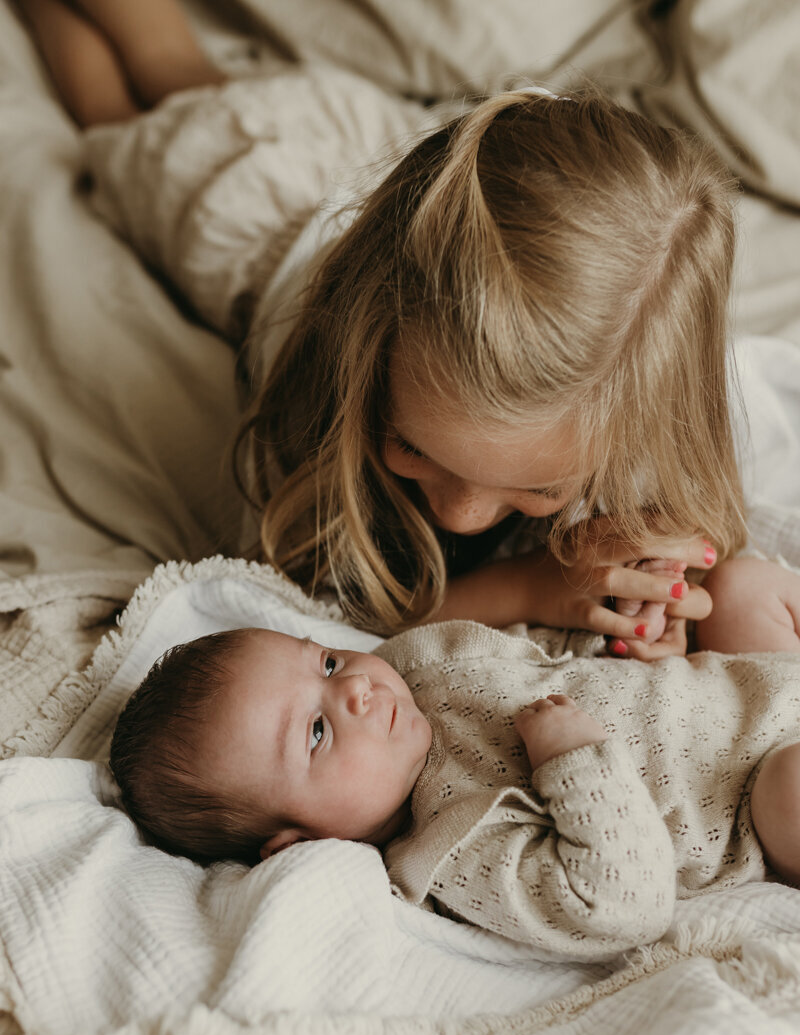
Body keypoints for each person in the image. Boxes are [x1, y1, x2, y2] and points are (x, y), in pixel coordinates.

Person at [19, 0, 746, 655]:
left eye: (538, 491)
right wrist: (528, 587)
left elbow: (678, 564)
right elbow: (322, 626)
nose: (462, 517)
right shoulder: (325, 398)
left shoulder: (630, 380)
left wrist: (658, 600)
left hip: (390, 165)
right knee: (128, 99)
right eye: (410, 443)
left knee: (190, 73)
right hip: (245, 192)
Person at [110, 555, 800, 961]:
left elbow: (541, 656)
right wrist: (576, 760)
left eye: (322, 661)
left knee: (740, 585)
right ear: (299, 841)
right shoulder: (455, 848)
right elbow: (623, 904)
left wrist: (638, 636)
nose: (351, 688)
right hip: (753, 801)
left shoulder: (413, 667)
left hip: (744, 689)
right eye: (316, 732)